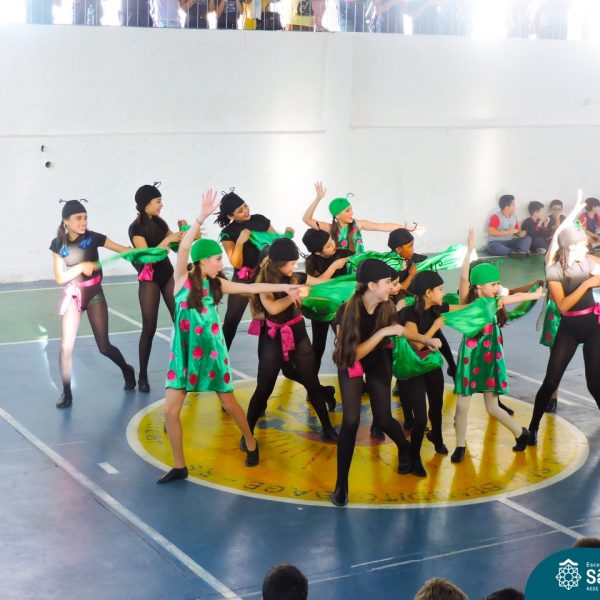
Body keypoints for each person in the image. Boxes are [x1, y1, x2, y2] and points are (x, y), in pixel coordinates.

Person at [159, 191, 303, 483]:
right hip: (183, 355)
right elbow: (184, 248)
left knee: (230, 404)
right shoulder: (181, 281)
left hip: (213, 353)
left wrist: (285, 288)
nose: (220, 263)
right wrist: (200, 217)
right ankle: (179, 465)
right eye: (216, 259)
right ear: (202, 262)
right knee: (170, 412)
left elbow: (251, 289)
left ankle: (250, 441)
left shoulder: (219, 284)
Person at [331, 259, 442, 506]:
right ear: (371, 286)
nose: (392, 287)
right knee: (351, 420)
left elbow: (401, 331)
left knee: (383, 418)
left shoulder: (387, 307)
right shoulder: (346, 311)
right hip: (351, 360)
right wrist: (382, 332)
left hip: (378, 360)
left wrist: (426, 340)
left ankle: (404, 447)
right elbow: (351, 356)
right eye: (387, 283)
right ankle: (341, 484)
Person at [451, 230, 544, 463]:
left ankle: (520, 433)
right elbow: (463, 279)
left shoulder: (496, 302)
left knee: (492, 407)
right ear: (478, 286)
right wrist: (470, 250)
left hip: (490, 358)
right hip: (470, 359)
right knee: (462, 405)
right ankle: (460, 445)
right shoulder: (467, 303)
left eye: (497, 284)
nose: (497, 287)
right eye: (493, 284)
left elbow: (516, 298)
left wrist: (535, 295)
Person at [245, 238, 345, 446]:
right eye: (291, 263)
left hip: (298, 333)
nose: (294, 266)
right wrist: (295, 294)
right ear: (278, 263)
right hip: (273, 338)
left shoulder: (296, 277)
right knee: (264, 388)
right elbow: (272, 309)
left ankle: (327, 428)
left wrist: (349, 284)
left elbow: (323, 283)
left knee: (312, 382)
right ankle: (247, 434)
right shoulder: (264, 283)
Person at [50, 200, 135, 408]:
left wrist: (137, 253)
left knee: (104, 347)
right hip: (74, 296)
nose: (84, 222)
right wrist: (81, 267)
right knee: (66, 347)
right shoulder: (58, 244)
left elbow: (122, 249)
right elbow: (60, 277)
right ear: (66, 221)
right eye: (78, 218)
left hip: (95, 294)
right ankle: (67, 393)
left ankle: (127, 369)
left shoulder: (94, 237)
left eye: (85, 217)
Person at [527, 212, 600, 445]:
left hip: (594, 327)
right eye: (582, 245)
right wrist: (587, 284)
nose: (586, 248)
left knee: (594, 383)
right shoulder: (555, 271)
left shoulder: (587, 261)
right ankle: (533, 427)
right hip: (569, 328)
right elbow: (563, 306)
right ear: (570, 247)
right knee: (551, 381)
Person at [399, 270, 468, 475]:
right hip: (413, 367)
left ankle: (437, 437)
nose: (443, 293)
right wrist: (436, 326)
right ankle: (415, 457)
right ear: (428, 293)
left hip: (431, 364)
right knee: (420, 418)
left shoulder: (439, 307)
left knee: (436, 407)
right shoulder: (409, 314)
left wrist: (489, 302)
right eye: (440, 289)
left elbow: (465, 308)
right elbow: (416, 345)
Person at [216, 190, 293, 349]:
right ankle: (220, 357)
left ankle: (272, 354)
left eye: (245, 205)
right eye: (240, 210)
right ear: (230, 216)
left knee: (271, 316)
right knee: (232, 319)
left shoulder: (260, 220)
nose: (246, 210)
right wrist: (240, 242)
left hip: (267, 275)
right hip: (244, 277)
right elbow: (236, 263)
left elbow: (275, 243)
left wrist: (287, 235)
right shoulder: (227, 233)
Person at [129, 183, 184, 393]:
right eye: (158, 201)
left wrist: (184, 232)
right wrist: (168, 239)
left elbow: (177, 246)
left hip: (166, 274)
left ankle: (185, 367)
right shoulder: (135, 229)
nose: (162, 205)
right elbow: (147, 257)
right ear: (146, 204)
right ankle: (142, 374)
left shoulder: (160, 222)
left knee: (180, 320)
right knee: (149, 327)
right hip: (149, 278)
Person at [303, 181, 422, 256]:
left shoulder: (358, 225)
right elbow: (307, 219)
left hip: (360, 265)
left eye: (351, 209)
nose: (352, 213)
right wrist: (318, 199)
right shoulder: (330, 228)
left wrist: (405, 227)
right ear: (337, 215)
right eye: (347, 211)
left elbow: (383, 226)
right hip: (342, 267)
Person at [302, 227, 352, 372]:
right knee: (318, 345)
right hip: (321, 308)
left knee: (346, 343)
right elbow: (316, 284)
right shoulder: (311, 263)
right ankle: (312, 381)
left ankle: (352, 379)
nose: (333, 245)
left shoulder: (344, 254)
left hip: (341, 308)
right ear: (318, 252)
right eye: (328, 246)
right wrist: (334, 266)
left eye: (332, 241)